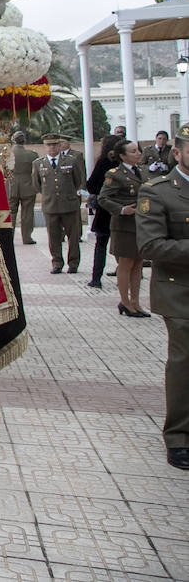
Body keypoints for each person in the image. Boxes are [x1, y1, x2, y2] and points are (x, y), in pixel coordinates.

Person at [134, 124, 189, 471]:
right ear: (178, 153)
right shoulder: (159, 191)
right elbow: (151, 246)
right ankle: (180, 436)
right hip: (180, 291)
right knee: (184, 364)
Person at [100, 138, 152, 317]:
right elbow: (103, 198)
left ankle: (135, 302)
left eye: (137, 150)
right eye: (133, 151)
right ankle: (125, 301)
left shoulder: (142, 171)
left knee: (138, 264)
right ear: (122, 156)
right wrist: (122, 210)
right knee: (126, 264)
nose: (138, 153)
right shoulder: (115, 174)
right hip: (124, 226)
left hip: (141, 225)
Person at [35, 132, 82, 274]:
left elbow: (77, 180)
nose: (52, 148)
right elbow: (37, 185)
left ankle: (73, 263)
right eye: (49, 145)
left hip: (69, 204)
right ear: (44, 146)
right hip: (50, 205)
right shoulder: (38, 164)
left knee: (73, 237)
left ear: (60, 145)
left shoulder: (71, 161)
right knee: (53, 237)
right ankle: (57, 262)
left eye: (55, 144)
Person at [85, 134, 124, 289]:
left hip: (105, 209)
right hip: (122, 207)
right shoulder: (123, 162)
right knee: (122, 244)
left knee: (101, 245)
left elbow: (91, 185)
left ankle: (96, 278)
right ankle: (126, 274)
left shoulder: (103, 162)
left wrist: (102, 193)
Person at [7, 130, 39, 246]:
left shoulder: (7, 154)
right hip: (28, 186)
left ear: (13, 140)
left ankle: (9, 237)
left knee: (11, 213)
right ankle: (27, 237)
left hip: (12, 186)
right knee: (27, 213)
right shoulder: (32, 154)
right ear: (24, 140)